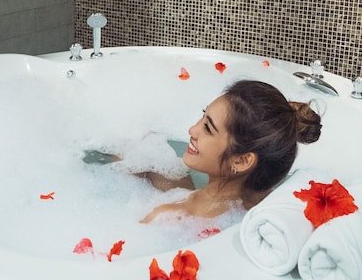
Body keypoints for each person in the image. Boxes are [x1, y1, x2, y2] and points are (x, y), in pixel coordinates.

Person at [138, 80, 322, 223]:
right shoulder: (270, 202)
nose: (192, 130)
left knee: (143, 153)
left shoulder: (168, 217)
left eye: (208, 128)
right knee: (149, 152)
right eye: (203, 116)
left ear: (242, 161)